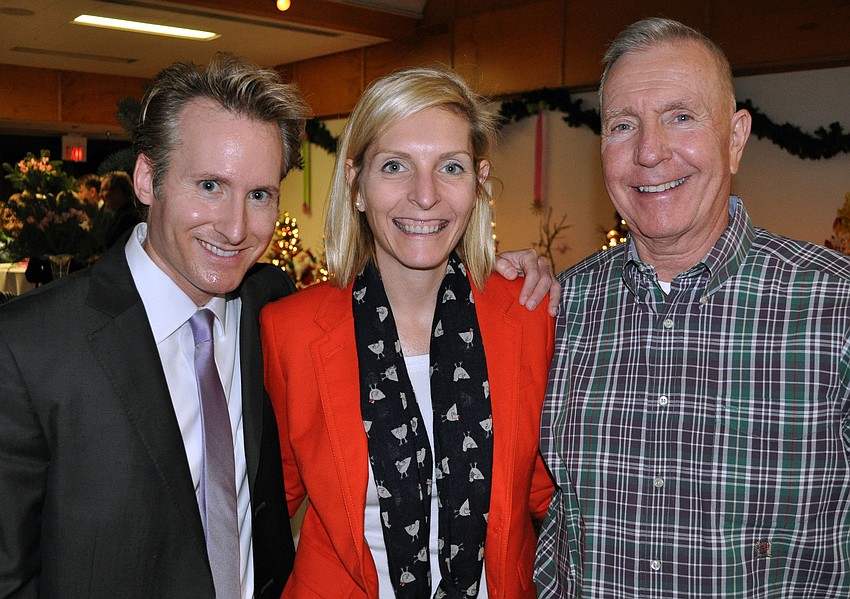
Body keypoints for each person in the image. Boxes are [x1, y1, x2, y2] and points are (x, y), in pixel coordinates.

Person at [535, 17, 850, 598]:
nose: (650, 152)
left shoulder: (836, 307)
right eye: (623, 125)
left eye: (680, 116)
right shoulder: (558, 307)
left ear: (735, 138)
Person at [0, 52, 309, 599]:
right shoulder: (29, 346)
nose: (236, 227)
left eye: (259, 194)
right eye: (210, 185)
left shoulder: (271, 302)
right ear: (147, 179)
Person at [261, 66, 556, 598]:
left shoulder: (532, 315)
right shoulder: (290, 332)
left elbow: (552, 496)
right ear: (356, 184)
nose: (425, 196)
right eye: (395, 166)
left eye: (450, 167)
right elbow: (263, 508)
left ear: (479, 183)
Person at [100, 170, 141, 248]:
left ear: (118, 192)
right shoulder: (123, 213)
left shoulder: (129, 218)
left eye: (104, 190)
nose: (100, 195)